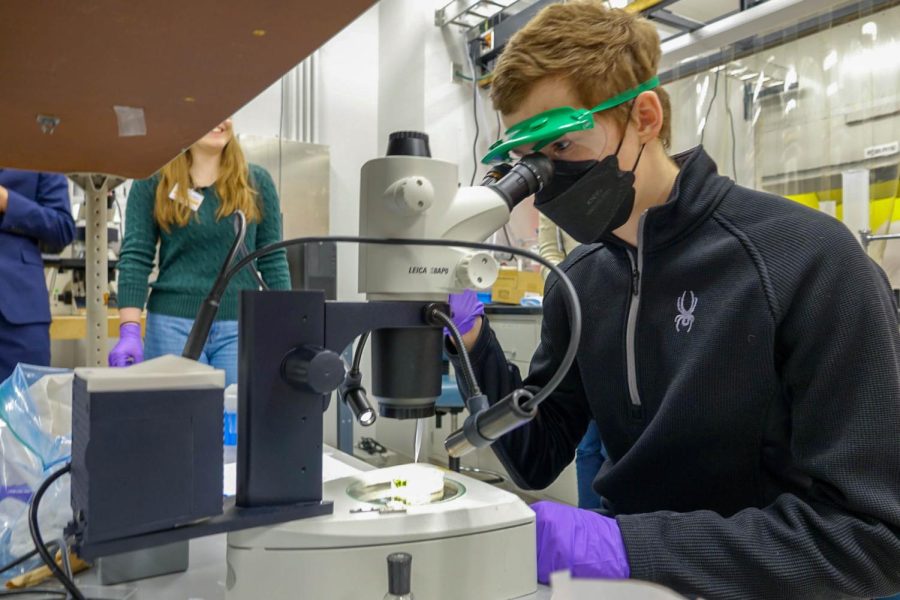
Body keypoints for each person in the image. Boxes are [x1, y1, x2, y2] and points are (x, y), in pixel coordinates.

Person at [447, 2, 900, 598]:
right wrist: (472, 339)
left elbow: (869, 539)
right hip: (638, 586)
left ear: (645, 116)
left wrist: (623, 547)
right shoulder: (579, 281)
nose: (544, 178)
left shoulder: (807, 259)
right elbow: (536, 453)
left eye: (560, 147)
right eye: (525, 161)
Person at [110, 119, 290, 385]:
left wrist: (290, 326)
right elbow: (136, 257)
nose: (221, 121)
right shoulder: (154, 181)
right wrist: (129, 330)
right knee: (180, 422)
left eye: (227, 112)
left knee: (236, 422)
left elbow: (273, 259)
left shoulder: (256, 182)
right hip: (172, 324)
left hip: (238, 327)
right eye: (212, 112)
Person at [538, 214, 605, 510]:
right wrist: (565, 283)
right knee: (588, 444)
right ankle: (590, 524)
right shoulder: (556, 197)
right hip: (578, 309)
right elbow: (548, 250)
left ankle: (623, 535)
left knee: (614, 441)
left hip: (621, 303)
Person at [0, 169, 75, 381]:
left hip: (17, 313)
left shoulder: (38, 147)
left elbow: (62, 228)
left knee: (25, 409)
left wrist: (8, 202)